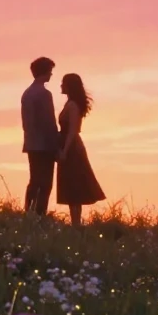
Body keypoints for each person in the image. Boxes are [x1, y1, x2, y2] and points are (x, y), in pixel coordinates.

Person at [56, 72, 105, 227]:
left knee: (75, 185)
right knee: (71, 186)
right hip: (69, 146)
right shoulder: (70, 104)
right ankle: (75, 223)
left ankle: (76, 224)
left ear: (70, 86)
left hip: (72, 148)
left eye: (63, 83)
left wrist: (65, 151)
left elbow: (72, 131)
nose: (61, 85)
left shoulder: (72, 105)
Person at [21, 57, 60, 216]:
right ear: (45, 71)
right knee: (45, 183)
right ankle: (40, 214)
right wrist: (56, 146)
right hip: (44, 145)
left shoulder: (27, 93)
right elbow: (49, 122)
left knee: (34, 180)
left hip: (31, 143)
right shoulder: (44, 94)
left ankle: (29, 211)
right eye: (50, 71)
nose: (51, 74)